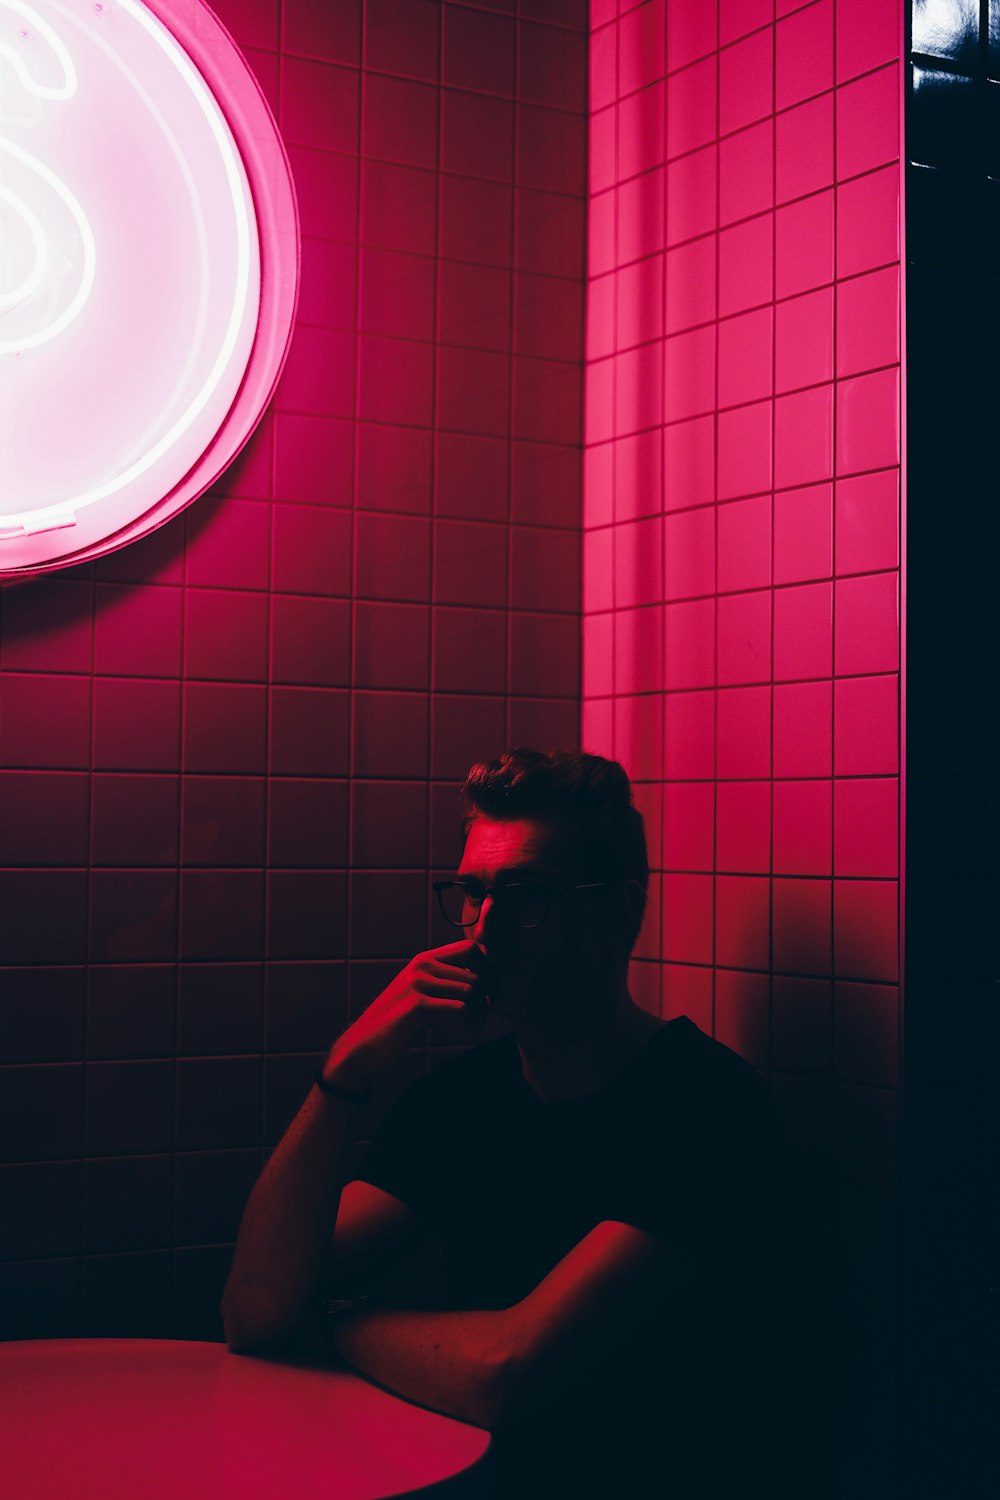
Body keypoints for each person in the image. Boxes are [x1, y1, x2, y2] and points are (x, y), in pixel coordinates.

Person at [222, 749, 817, 1498]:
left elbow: (505, 1370)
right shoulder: (464, 1100)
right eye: (472, 894)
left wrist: (334, 1327)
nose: (485, 929)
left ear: (617, 914)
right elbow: (253, 1311)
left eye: (526, 896)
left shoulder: (703, 1107)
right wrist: (345, 1072)